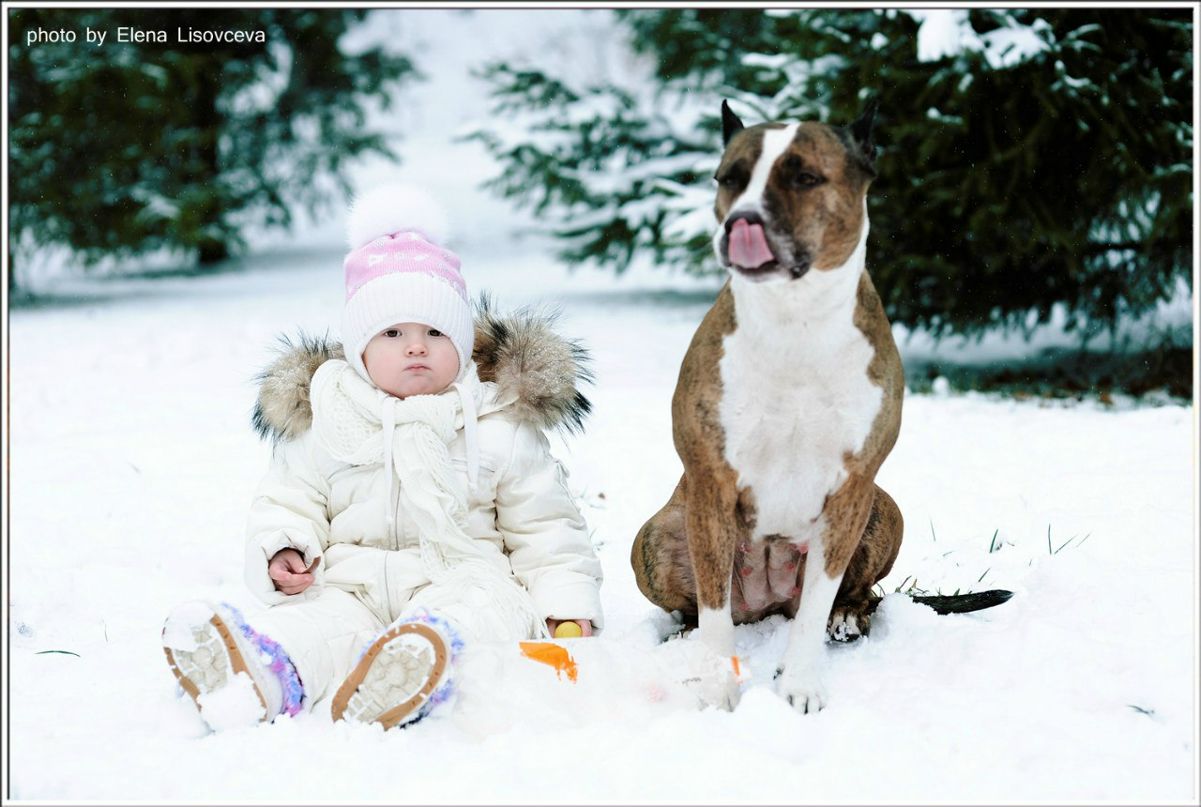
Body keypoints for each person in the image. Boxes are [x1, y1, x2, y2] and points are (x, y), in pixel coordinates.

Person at [161, 185, 603, 731]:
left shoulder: (497, 424)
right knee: (319, 625)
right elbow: (287, 500)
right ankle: (260, 674)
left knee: (481, 611)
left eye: (435, 332)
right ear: (359, 348)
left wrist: (567, 604)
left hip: (464, 574)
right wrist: (283, 549)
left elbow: (547, 528)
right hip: (352, 584)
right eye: (393, 332)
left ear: (463, 345)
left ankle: (424, 657)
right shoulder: (326, 418)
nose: (416, 346)